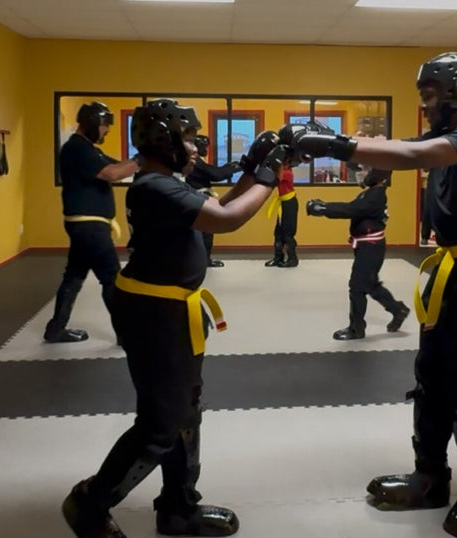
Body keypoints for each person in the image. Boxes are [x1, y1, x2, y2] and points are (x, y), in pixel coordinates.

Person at [286, 52, 457, 538]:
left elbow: (412, 156)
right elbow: (397, 146)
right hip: (453, 266)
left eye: (430, 94)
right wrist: (320, 141)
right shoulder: (444, 136)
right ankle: (430, 476)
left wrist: (337, 144)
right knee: (431, 374)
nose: (425, 104)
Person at [60, 98, 291, 538]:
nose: (196, 148)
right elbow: (226, 220)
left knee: (186, 413)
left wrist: (251, 167)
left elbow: (213, 210)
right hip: (154, 314)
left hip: (169, 310)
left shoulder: (166, 183)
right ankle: (89, 502)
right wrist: (271, 175)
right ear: (165, 140)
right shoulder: (154, 187)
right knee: (160, 425)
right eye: (188, 139)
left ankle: (178, 508)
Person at [45, 102, 138, 344]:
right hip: (89, 228)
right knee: (112, 279)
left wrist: (144, 162)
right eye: (105, 126)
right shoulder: (76, 149)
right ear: (93, 124)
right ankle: (127, 334)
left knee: (74, 277)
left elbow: (118, 167)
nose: (107, 131)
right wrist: (143, 157)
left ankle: (55, 329)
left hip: (85, 226)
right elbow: (112, 174)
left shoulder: (88, 149)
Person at [306, 167, 410, 340]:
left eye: (364, 170)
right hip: (368, 246)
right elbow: (355, 209)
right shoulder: (371, 193)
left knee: (356, 287)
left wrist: (323, 208)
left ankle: (356, 329)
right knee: (370, 284)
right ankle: (398, 310)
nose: (360, 173)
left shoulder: (376, 195)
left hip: (371, 247)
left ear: (378, 175)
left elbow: (351, 209)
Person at [186, 135, 242, 268]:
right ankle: (203, 260)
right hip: (198, 198)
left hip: (197, 197)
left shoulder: (196, 161)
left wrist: (228, 167)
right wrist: (233, 169)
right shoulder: (194, 161)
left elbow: (212, 171)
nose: (205, 149)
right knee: (205, 232)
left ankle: (204, 259)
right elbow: (215, 174)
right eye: (203, 146)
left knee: (205, 232)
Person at [264, 162, 299, 267]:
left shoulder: (287, 173)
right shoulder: (282, 171)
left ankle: (292, 259)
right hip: (283, 203)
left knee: (288, 233)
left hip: (289, 203)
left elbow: (271, 179)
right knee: (278, 232)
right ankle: (278, 258)